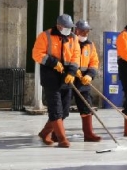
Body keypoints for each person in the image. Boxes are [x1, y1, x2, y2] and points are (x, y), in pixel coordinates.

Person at [32, 14, 80, 148]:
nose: (69, 30)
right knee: (55, 109)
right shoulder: (45, 35)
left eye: (71, 27)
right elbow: (36, 54)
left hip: (66, 76)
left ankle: (45, 133)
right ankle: (62, 138)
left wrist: (71, 72)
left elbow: (76, 55)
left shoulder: (73, 38)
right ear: (59, 26)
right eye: (67, 27)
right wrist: (53, 62)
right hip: (50, 76)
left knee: (64, 110)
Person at [73, 20, 102, 142]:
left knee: (87, 105)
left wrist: (90, 75)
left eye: (87, 31)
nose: (85, 34)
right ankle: (51, 132)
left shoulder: (90, 45)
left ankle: (88, 133)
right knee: (61, 107)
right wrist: (72, 69)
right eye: (82, 31)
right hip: (68, 78)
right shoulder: (70, 42)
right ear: (76, 31)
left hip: (83, 79)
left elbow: (94, 62)